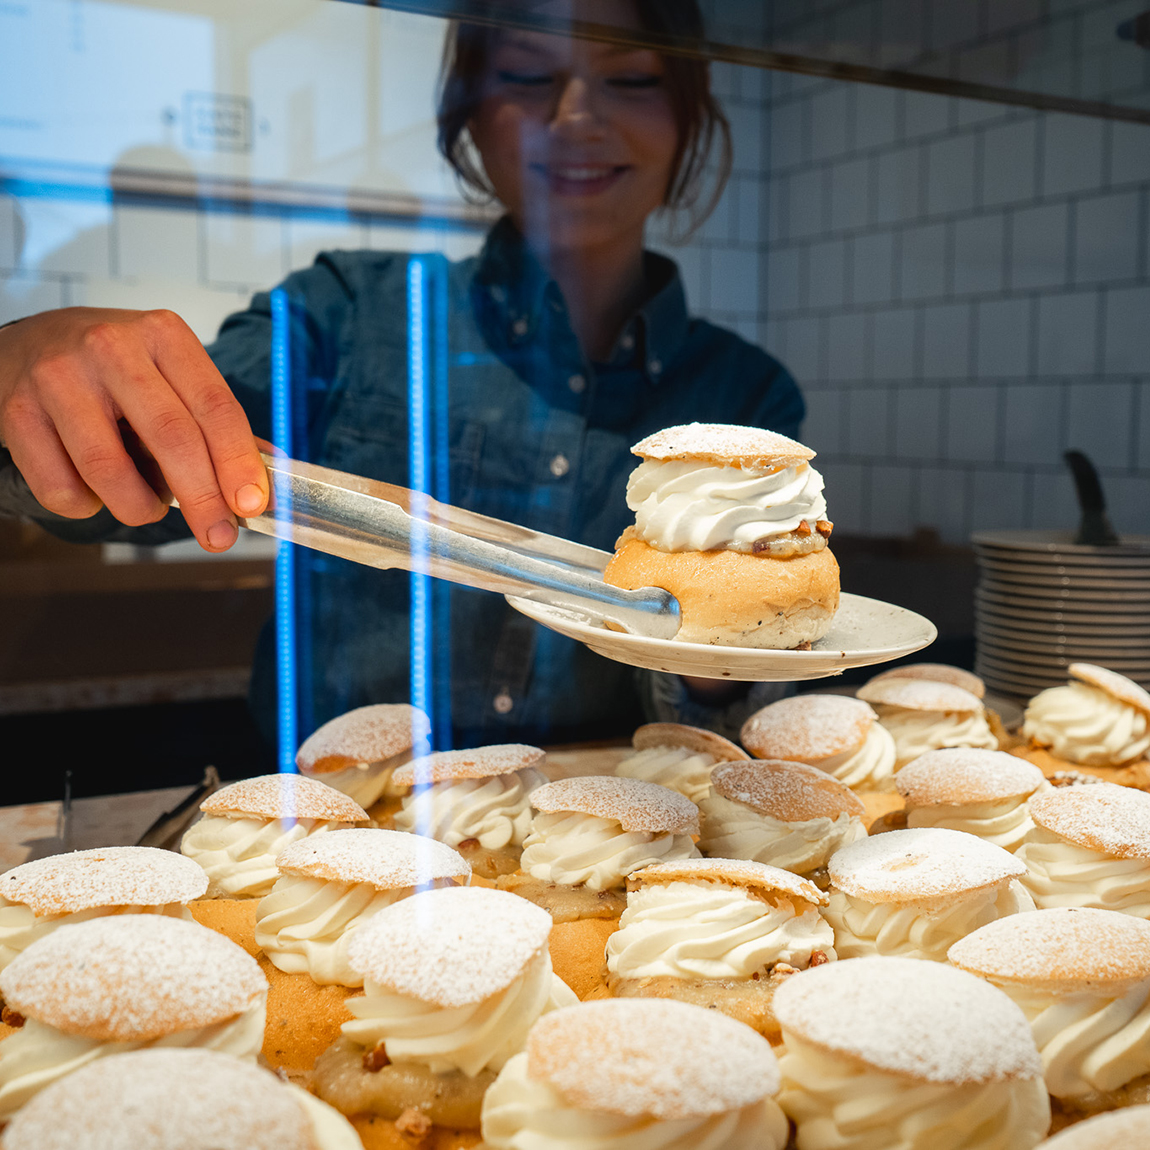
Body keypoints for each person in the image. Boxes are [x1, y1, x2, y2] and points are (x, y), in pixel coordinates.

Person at [0, 0, 803, 751]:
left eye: (633, 78)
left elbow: (731, 717)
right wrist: (31, 378)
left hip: (582, 860)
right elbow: (117, 494)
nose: (577, 117)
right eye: (528, 75)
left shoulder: (747, 403)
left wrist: (726, 658)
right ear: (469, 114)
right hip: (322, 847)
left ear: (687, 112)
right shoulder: (346, 313)